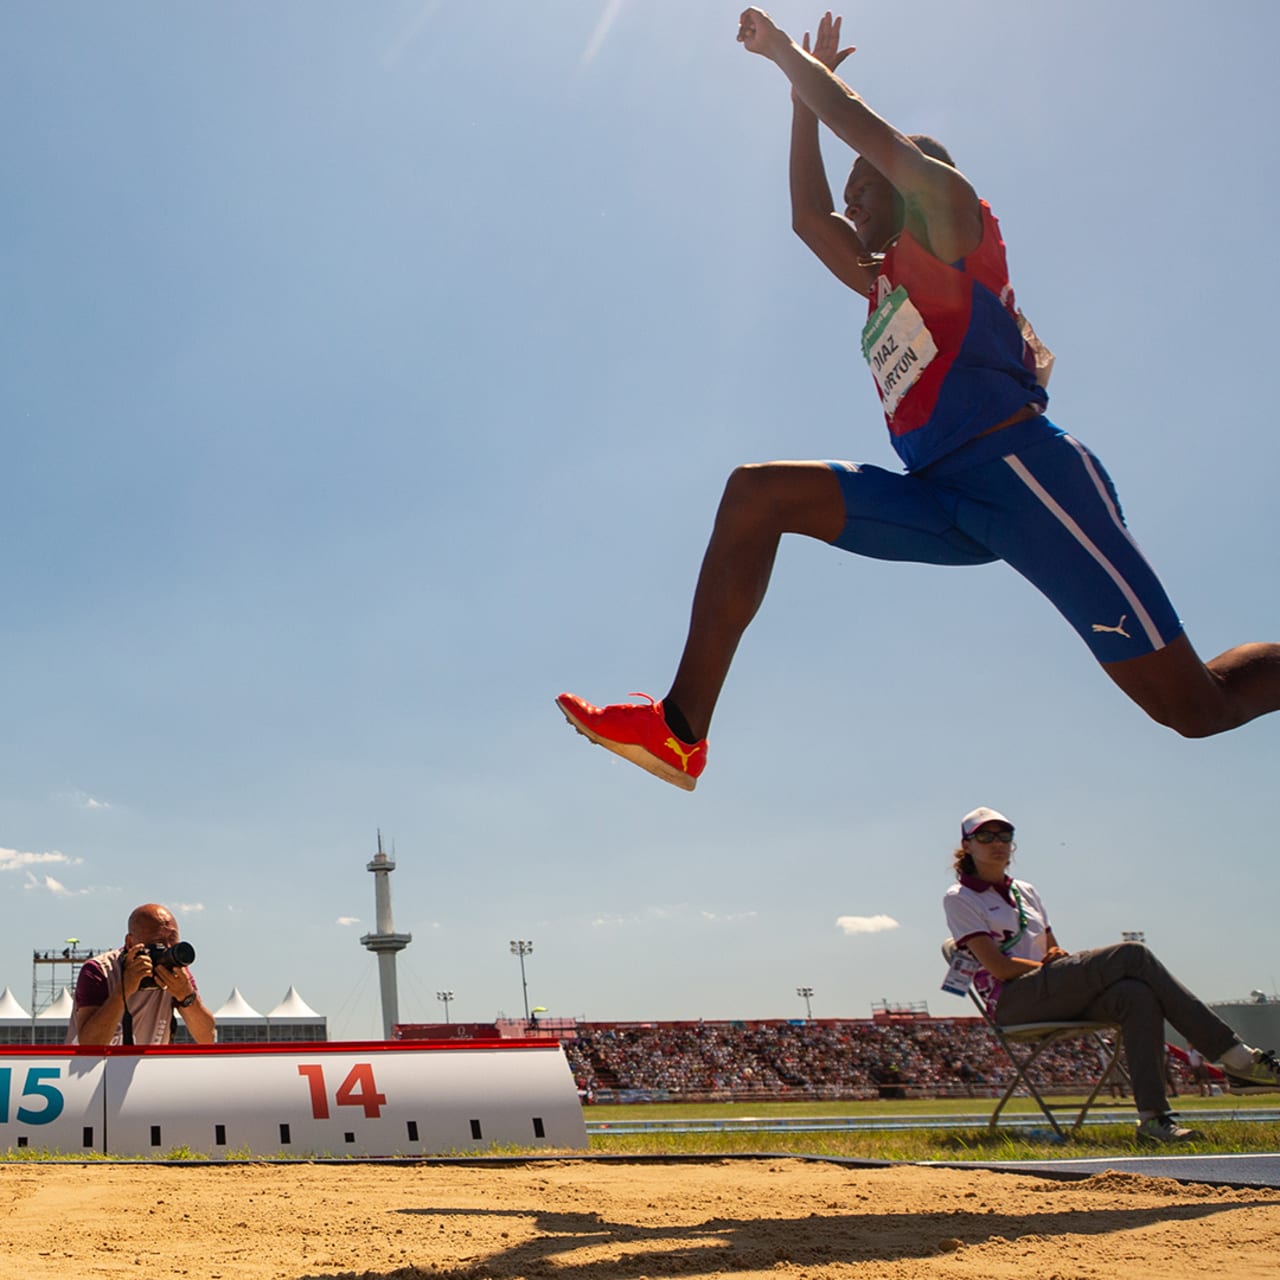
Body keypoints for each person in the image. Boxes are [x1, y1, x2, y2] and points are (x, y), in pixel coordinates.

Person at [555, 9, 1280, 791]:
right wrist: (801, 106)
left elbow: (873, 135)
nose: (853, 204)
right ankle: (679, 731)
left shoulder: (954, 221)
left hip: (1025, 476)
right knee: (756, 494)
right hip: (941, 498)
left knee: (1193, 709)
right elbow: (808, 218)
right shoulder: (881, 284)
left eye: (865, 189)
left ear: (909, 190)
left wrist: (791, 62)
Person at [943, 807, 1280, 1143]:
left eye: (1004, 835)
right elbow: (999, 968)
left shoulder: (1025, 891)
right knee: (1132, 955)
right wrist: (1057, 969)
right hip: (1013, 1001)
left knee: (1136, 995)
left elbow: (1053, 952)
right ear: (967, 845)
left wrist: (1059, 963)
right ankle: (1237, 1059)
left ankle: (1153, 1120)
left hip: (1050, 992)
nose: (997, 843)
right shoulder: (960, 898)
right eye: (984, 836)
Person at [67, 903, 216, 1046]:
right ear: (131, 943)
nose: (167, 950)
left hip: (147, 1070)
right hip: (91, 1070)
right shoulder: (99, 970)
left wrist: (186, 996)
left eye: (172, 940)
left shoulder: (177, 973)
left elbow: (208, 1037)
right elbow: (90, 1045)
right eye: (158, 943)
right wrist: (122, 991)